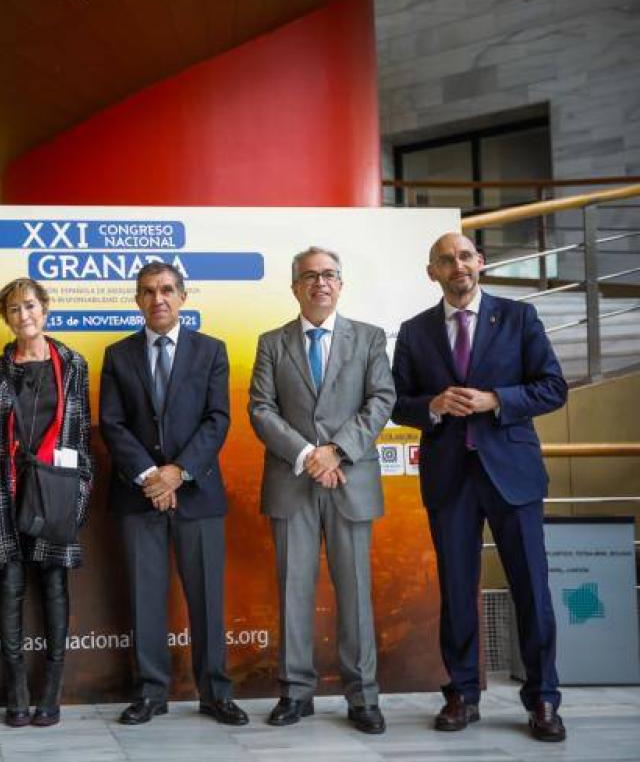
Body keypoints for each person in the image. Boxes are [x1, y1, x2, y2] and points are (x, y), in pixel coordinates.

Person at [392, 233, 567, 742]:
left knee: (532, 588)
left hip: (512, 475)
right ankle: (462, 694)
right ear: (433, 273)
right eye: (446, 260)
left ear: (481, 264)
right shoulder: (414, 331)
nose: (457, 265)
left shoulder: (518, 318)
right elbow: (397, 400)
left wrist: (496, 399)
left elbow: (553, 387)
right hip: (450, 478)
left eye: (465, 256)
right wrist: (433, 406)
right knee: (456, 589)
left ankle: (543, 700)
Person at [248, 247, 394, 734]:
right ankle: (295, 693)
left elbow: (381, 399)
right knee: (293, 591)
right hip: (293, 482)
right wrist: (309, 455)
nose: (320, 283)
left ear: (340, 283)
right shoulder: (271, 342)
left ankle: (363, 698)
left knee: (355, 593)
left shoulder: (370, 339)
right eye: (309, 276)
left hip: (351, 479)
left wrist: (336, 451)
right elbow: (261, 409)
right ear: (295, 287)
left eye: (329, 274)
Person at [98, 261, 247, 727]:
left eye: (166, 290)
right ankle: (150, 693)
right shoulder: (118, 355)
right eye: (147, 291)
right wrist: (150, 476)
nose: (157, 298)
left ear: (182, 296)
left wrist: (177, 473)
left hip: (197, 494)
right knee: (146, 597)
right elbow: (113, 423)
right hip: (138, 495)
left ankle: (215, 693)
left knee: (206, 598)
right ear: (137, 300)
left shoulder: (212, 351)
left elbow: (217, 420)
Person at [0, 278, 93, 728]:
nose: (24, 316)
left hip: (55, 493)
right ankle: (16, 693)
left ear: (46, 309)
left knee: (55, 589)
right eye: (15, 310)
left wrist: (78, 493)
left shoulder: (73, 364)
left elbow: (82, 437)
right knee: (11, 588)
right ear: (7, 317)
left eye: (31, 306)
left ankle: (51, 694)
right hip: (5, 493)